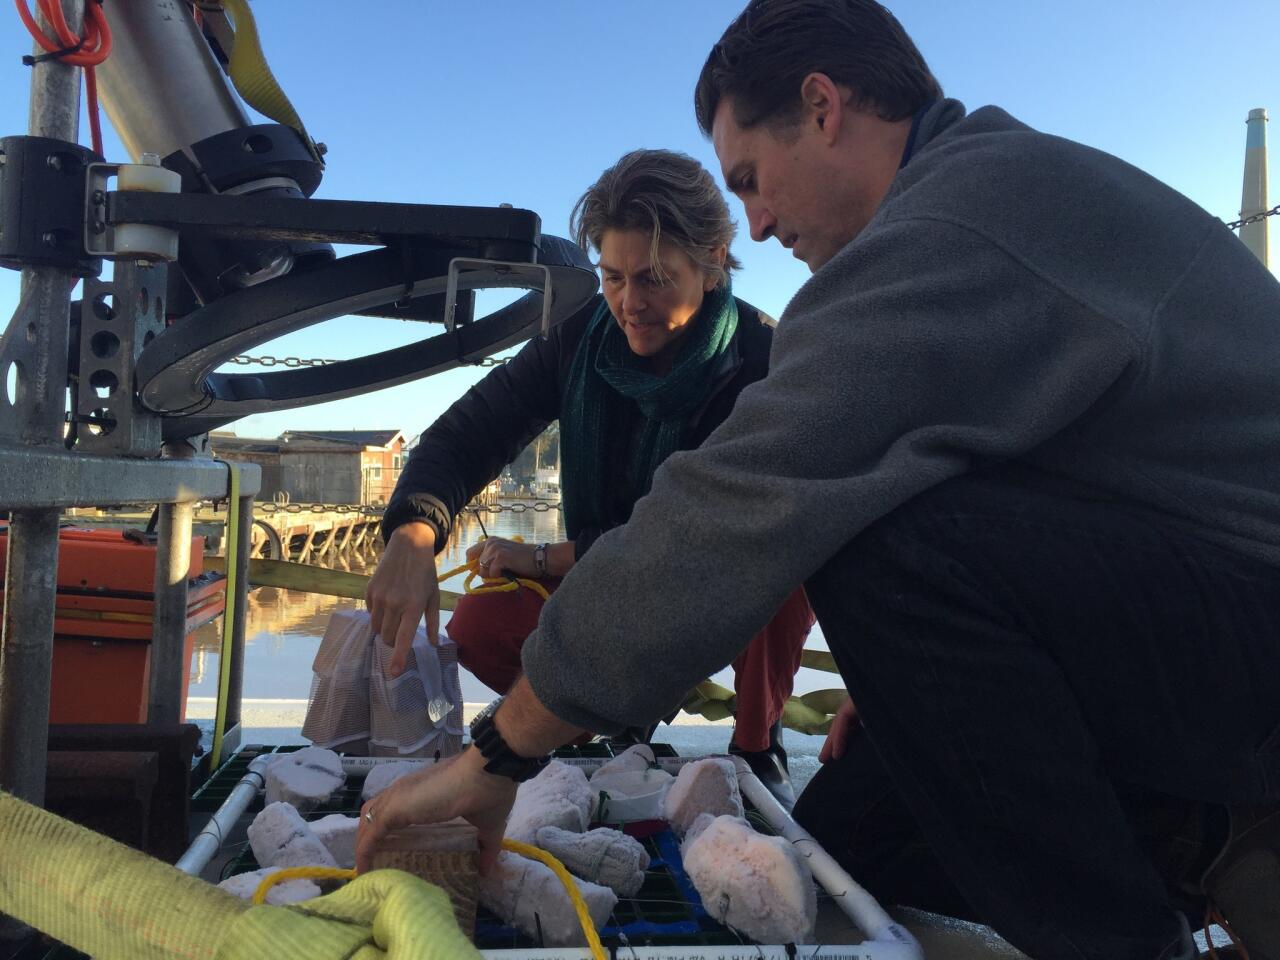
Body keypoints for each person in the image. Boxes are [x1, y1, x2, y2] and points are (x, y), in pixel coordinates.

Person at [357, 3, 1280, 958]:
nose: (754, 220)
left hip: (1253, 629)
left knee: (879, 543)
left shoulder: (948, 229)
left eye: (751, 179)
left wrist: (499, 754)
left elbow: (734, 515)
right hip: (1197, 617)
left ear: (824, 106)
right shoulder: (987, 190)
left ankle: (1140, 929)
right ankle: (1204, 846)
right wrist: (906, 678)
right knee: (847, 851)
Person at [366, 147, 814, 807]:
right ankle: (608, 728)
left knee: (794, 561)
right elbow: (472, 430)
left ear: (715, 257)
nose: (628, 304)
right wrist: (413, 532)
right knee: (478, 631)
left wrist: (546, 555)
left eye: (654, 278)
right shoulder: (579, 338)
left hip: (720, 587)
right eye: (611, 276)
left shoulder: (766, 359)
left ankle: (755, 743)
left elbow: (698, 538)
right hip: (607, 580)